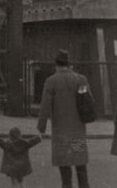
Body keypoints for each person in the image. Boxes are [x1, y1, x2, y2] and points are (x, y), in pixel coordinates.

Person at [37, 50, 92, 188]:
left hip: (60, 131)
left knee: (65, 166)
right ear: (69, 64)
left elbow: (45, 106)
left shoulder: (51, 81)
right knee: (80, 164)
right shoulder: (81, 79)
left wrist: (41, 127)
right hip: (77, 130)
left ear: (56, 65)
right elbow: (89, 101)